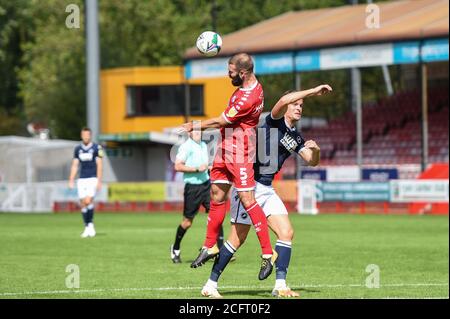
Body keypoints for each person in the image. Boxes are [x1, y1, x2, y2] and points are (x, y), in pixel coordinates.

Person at [200, 84, 332, 298]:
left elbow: (311, 161)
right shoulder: (275, 121)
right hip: (248, 186)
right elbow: (280, 101)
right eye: (296, 104)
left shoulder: (296, 137)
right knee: (237, 239)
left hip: (267, 189)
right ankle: (210, 284)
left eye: (301, 106)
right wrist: (312, 91)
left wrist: (315, 151)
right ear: (287, 106)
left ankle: (280, 286)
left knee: (287, 233)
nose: (299, 108)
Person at [182, 53, 276, 280]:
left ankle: (267, 253)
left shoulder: (249, 97)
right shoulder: (247, 86)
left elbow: (221, 121)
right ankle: (210, 246)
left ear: (243, 73)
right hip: (225, 148)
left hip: (241, 152)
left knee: (247, 200)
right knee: (216, 194)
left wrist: (195, 125)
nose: (228, 75)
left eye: (231, 72)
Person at [170, 129, 224, 263]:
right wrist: (196, 169)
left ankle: (220, 251)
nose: (198, 134)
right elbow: (177, 166)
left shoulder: (203, 145)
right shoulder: (185, 147)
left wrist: (210, 168)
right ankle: (175, 248)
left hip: (206, 185)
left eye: (200, 131)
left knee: (215, 215)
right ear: (189, 134)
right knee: (187, 222)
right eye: (195, 132)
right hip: (192, 188)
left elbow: (204, 165)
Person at [69, 127, 103, 238]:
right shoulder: (77, 149)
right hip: (82, 179)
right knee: (83, 203)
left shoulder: (97, 148)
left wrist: (99, 180)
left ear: (90, 135)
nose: (86, 137)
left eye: (88, 135)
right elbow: (75, 165)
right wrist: (71, 179)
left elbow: (100, 164)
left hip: (92, 178)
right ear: (81, 135)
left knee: (88, 201)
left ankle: (90, 225)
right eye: (84, 135)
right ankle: (87, 227)